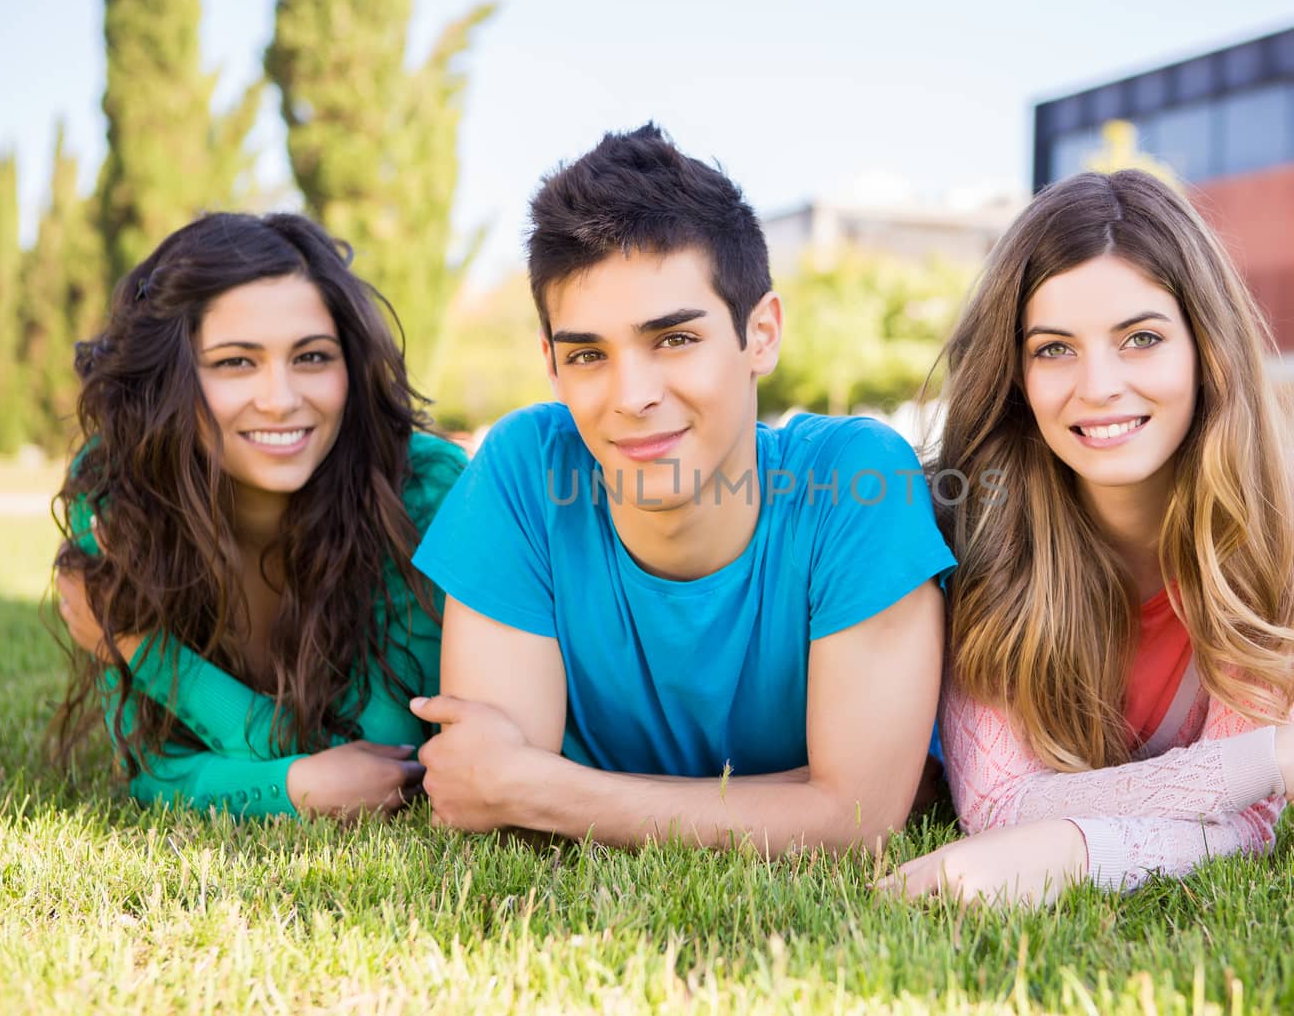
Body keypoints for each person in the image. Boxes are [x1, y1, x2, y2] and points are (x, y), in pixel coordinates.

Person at [407, 124, 956, 852]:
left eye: (674, 339)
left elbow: (860, 822)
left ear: (760, 334)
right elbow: (496, 808)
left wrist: (546, 787)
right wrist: (805, 796)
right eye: (588, 354)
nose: (632, 395)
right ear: (550, 363)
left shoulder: (858, 480)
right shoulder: (523, 470)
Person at [885, 170, 1294, 905]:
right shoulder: (976, 512)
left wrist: (1070, 852)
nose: (1098, 385)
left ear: (1206, 347)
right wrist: (1280, 755)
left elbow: (1248, 818)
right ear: (1016, 373)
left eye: (1141, 338)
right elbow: (998, 805)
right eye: (1053, 349)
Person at [50, 212, 467, 820]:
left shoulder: (417, 491)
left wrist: (146, 652)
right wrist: (296, 786)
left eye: (313, 357)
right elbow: (149, 765)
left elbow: (382, 760)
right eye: (235, 363)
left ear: (349, 366)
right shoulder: (119, 488)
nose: (280, 399)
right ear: (171, 379)